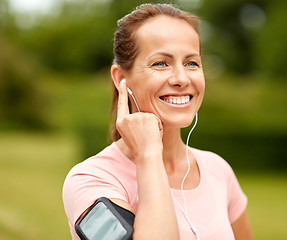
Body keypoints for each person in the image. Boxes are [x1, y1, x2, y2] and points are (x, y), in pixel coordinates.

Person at [63, 3, 253, 240]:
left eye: (191, 63)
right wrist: (149, 155)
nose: (182, 79)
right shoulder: (91, 179)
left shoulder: (218, 170)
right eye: (161, 63)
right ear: (121, 78)